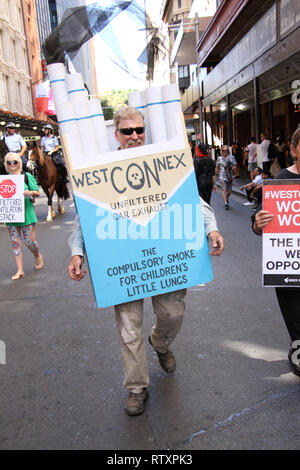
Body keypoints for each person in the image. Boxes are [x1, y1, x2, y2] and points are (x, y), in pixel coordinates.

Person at [67, 106, 224, 416]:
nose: (135, 135)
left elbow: (193, 200)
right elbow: (82, 219)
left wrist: (212, 228)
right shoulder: (97, 168)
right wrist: (77, 251)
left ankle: (160, 343)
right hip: (122, 263)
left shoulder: (163, 161)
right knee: (128, 330)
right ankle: (137, 388)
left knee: (172, 314)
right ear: (116, 134)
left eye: (139, 129)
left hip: (164, 261)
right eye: (128, 131)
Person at [252, 126, 300, 377]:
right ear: (293, 150)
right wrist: (258, 224)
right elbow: (258, 224)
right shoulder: (281, 179)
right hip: (289, 267)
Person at [4, 152, 43, 280]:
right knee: (15, 243)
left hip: (27, 214)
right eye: (9, 162)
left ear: (19, 163)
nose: (12, 164)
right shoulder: (5, 180)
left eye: (14, 162)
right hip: (12, 216)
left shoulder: (26, 176)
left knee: (29, 241)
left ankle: (37, 255)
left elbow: (37, 192)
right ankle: (20, 270)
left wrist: (29, 192)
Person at [216, 144, 237, 210]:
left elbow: (235, 165)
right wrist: (216, 172)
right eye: (223, 150)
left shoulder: (232, 157)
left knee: (229, 191)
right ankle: (225, 203)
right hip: (222, 175)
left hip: (229, 175)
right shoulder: (219, 158)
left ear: (228, 151)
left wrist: (233, 168)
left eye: (226, 150)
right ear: (221, 151)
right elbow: (217, 166)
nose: (225, 151)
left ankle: (226, 198)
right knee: (223, 189)